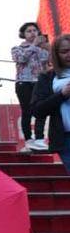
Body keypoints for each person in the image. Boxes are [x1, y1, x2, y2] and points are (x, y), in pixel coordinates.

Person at [33, 34, 70, 174]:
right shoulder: (47, 78)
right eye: (64, 51)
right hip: (65, 139)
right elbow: (37, 110)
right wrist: (62, 95)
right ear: (56, 54)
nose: (69, 55)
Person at [12, 21, 50, 151]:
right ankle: (28, 140)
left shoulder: (42, 48)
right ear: (23, 34)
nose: (32, 33)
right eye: (29, 31)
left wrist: (46, 46)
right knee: (27, 111)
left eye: (34, 30)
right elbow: (21, 59)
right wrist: (33, 45)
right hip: (23, 83)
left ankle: (39, 138)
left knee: (41, 110)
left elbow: (47, 60)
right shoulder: (17, 48)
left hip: (39, 82)